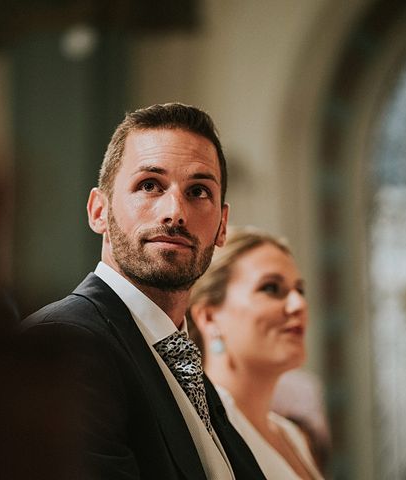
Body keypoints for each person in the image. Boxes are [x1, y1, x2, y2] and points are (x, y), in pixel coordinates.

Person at [23, 103, 266, 479]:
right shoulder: (63, 345)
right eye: (149, 185)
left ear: (222, 226)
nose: (175, 213)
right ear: (99, 211)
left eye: (199, 191)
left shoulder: (188, 367)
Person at [189, 226, 325, 479]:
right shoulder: (200, 430)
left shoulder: (291, 435)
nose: (299, 305)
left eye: (300, 290)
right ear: (208, 317)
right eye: (271, 288)